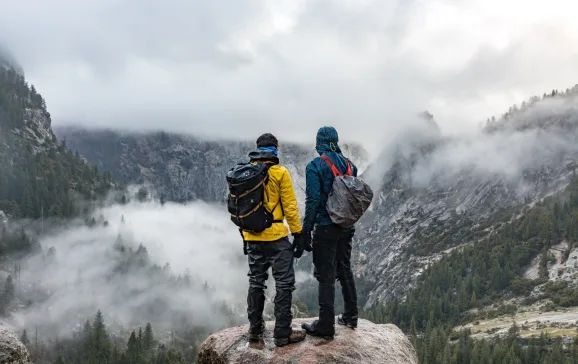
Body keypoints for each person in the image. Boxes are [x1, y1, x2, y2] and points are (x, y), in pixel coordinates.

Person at [242, 133, 307, 347]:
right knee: (284, 284)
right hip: (277, 237)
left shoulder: (244, 173)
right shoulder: (280, 173)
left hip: (252, 236)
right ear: (275, 149)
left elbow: (239, 210)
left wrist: (245, 236)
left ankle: (254, 332)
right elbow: (290, 207)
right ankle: (282, 333)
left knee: (255, 283)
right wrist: (298, 234)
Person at [301, 126, 359, 339]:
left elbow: (313, 200)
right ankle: (351, 316)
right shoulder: (351, 166)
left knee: (325, 275)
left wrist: (305, 231)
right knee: (345, 268)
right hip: (346, 226)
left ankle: (326, 326)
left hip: (326, 227)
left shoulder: (315, 166)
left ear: (319, 143)